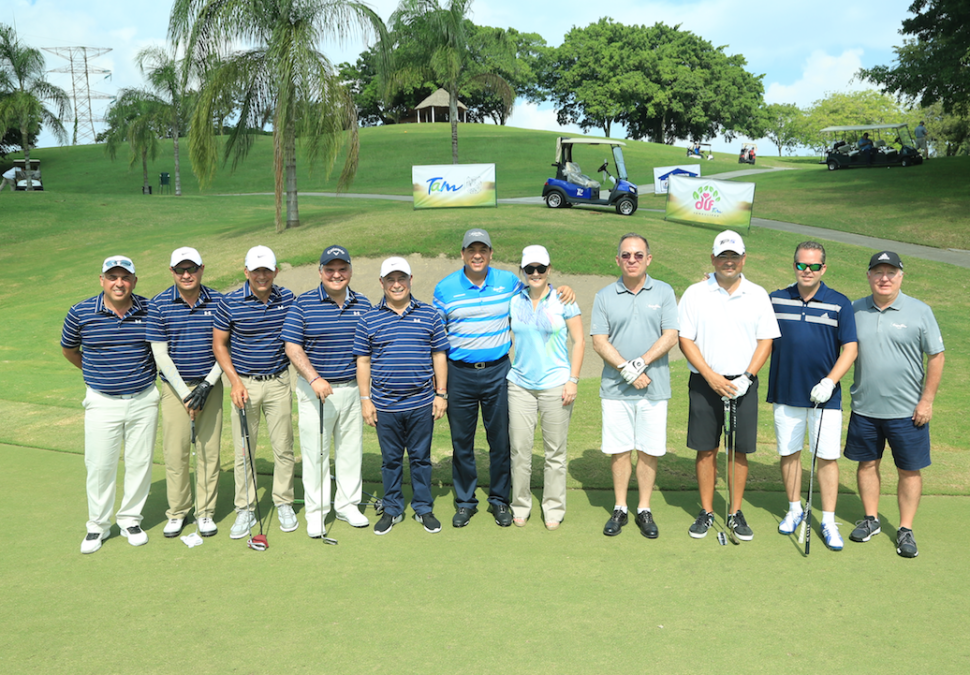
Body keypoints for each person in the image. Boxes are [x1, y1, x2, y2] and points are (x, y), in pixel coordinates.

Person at [433, 229, 575, 528]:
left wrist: (564, 288)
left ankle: (499, 500)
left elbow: (540, 289)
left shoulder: (509, 283)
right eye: (471, 249)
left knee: (501, 441)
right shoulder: (444, 289)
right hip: (460, 373)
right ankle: (465, 502)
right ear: (462, 254)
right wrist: (440, 388)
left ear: (490, 253)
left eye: (482, 249)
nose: (477, 255)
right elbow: (436, 339)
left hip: (499, 371)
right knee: (462, 442)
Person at [678, 230, 780, 541]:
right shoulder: (696, 293)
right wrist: (709, 375)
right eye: (723, 257)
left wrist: (747, 377)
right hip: (705, 382)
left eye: (734, 257)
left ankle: (734, 513)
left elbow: (766, 340)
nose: (729, 262)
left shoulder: (758, 294)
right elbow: (685, 339)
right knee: (706, 450)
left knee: (738, 451)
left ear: (743, 259)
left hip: (743, 384)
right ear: (713, 259)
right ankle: (707, 511)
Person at [845, 251, 944, 558]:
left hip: (908, 412)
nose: (884, 278)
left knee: (909, 470)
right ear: (869, 276)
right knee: (867, 464)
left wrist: (926, 401)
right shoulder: (854, 309)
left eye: (890, 273)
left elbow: (936, 356)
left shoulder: (920, 311)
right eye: (878, 272)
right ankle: (871, 519)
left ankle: (905, 529)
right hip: (865, 407)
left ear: (901, 276)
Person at [61, 256, 159, 554]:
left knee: (140, 463)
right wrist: (96, 373)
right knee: (100, 465)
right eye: (113, 277)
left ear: (134, 281)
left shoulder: (149, 309)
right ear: (102, 280)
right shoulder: (80, 313)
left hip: (143, 398)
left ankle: (130, 519)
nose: (119, 283)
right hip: (102, 401)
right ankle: (98, 526)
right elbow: (69, 349)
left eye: (125, 277)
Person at [766, 242, 857, 551]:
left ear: (824, 269)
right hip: (786, 391)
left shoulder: (840, 303)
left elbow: (851, 348)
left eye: (814, 266)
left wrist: (830, 382)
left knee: (827, 458)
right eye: (802, 265)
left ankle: (828, 520)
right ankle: (794, 509)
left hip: (824, 397)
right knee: (789, 453)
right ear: (794, 266)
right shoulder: (776, 300)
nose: (808, 271)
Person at [354, 257, 449, 535]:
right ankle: (393, 508)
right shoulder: (369, 318)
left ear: (410, 280)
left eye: (402, 278)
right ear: (381, 283)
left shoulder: (429, 314)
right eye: (391, 279)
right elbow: (363, 361)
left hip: (421, 402)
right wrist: (365, 399)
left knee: (421, 458)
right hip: (385, 404)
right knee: (391, 460)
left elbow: (439, 354)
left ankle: (423, 507)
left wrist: (441, 393)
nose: (397, 284)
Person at [591, 234, 679, 538]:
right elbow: (599, 341)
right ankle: (620, 507)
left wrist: (639, 363)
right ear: (618, 260)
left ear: (648, 259)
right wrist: (626, 369)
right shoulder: (604, 295)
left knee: (648, 450)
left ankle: (643, 507)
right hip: (616, 390)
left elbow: (670, 336)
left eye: (638, 255)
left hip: (655, 389)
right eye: (626, 255)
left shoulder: (665, 292)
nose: (632, 260)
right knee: (619, 450)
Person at [282, 245, 372, 537]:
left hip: (351, 389)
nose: (337, 274)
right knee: (316, 453)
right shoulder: (303, 303)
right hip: (315, 390)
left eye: (342, 269)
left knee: (350, 451)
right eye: (330, 269)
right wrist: (314, 377)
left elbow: (369, 351)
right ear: (320, 272)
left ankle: (347, 505)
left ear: (350, 270)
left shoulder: (364, 304)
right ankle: (317, 512)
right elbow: (292, 347)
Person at [213, 245, 298, 539]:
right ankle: (245, 509)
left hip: (278, 382)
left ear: (275, 271)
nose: (262, 276)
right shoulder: (230, 302)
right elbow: (220, 345)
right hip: (244, 384)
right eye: (256, 270)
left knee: (283, 447)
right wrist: (234, 381)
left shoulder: (287, 298)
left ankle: (284, 502)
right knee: (243, 450)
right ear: (246, 271)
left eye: (267, 270)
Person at [147, 247, 224, 539]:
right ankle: (177, 512)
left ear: (202, 269)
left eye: (192, 268)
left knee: (208, 451)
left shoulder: (219, 301)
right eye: (180, 270)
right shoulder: (159, 304)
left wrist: (206, 385)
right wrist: (186, 393)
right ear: (172, 272)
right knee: (175, 451)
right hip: (174, 388)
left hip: (211, 384)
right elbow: (160, 355)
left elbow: (224, 348)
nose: (187, 274)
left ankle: (205, 513)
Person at [507, 245, 584, 530]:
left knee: (555, 452)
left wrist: (573, 380)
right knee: (520, 450)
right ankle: (521, 504)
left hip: (556, 385)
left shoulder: (564, 299)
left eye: (541, 268)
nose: (535, 273)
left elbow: (579, 341)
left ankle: (553, 508)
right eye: (530, 269)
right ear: (523, 272)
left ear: (549, 269)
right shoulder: (514, 300)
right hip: (520, 386)